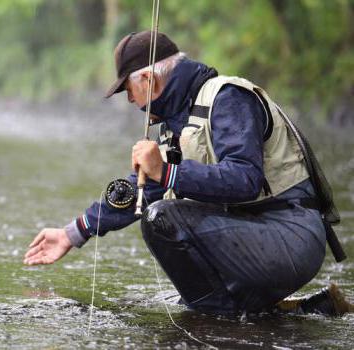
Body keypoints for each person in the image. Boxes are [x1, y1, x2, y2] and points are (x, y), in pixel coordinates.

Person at [23, 30, 352, 316]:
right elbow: (136, 192)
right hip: (251, 234)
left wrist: (166, 172)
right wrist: (73, 232)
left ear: (148, 80)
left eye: (128, 90)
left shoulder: (227, 99)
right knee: (162, 215)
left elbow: (244, 180)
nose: (130, 100)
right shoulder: (174, 125)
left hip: (291, 235)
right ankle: (267, 313)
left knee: (162, 219)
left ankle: (218, 316)